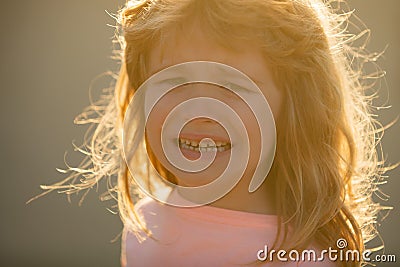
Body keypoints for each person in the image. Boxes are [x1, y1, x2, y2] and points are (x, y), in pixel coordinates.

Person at [31, 0, 390, 266]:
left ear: (295, 106)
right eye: (175, 81)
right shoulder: (147, 227)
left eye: (231, 86)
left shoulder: (308, 257)